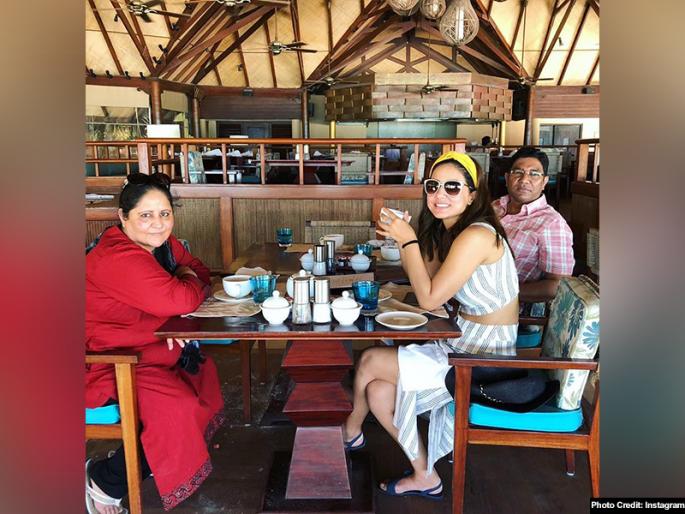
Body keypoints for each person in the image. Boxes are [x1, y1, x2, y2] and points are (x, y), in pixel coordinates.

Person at [342, 152, 519, 499]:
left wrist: (408, 239)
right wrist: (403, 239)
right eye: (433, 186)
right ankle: (425, 474)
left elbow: (428, 298)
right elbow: (427, 279)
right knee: (378, 391)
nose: (440, 194)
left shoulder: (477, 235)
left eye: (452, 187)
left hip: (485, 357)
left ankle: (350, 431)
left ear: (472, 195)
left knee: (370, 360)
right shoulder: (453, 231)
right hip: (462, 341)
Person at [85, 173, 224, 513]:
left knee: (203, 376)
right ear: (123, 217)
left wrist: (180, 295)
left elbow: (199, 271)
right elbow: (183, 298)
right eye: (145, 215)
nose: (158, 223)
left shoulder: (162, 244)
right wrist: (182, 289)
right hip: (111, 360)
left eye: (164, 213)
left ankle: (117, 470)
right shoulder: (117, 256)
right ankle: (105, 480)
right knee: (179, 408)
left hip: (150, 347)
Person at [492, 146, 574, 308]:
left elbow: (558, 285)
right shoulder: (495, 206)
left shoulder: (552, 224)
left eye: (534, 174)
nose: (524, 180)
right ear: (507, 178)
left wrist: (501, 293)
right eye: (518, 172)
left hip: (506, 309)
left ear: (544, 182)